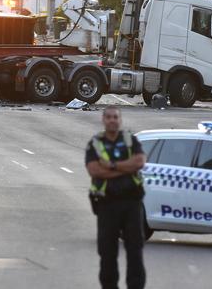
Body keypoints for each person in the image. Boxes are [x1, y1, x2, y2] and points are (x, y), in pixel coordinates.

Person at [85, 106, 147, 289]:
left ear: (120, 120)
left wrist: (111, 166)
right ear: (103, 120)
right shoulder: (95, 143)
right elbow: (94, 170)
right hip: (107, 204)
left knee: (135, 251)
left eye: (116, 117)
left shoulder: (130, 140)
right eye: (109, 117)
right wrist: (124, 169)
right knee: (107, 253)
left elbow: (139, 162)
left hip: (132, 203)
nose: (112, 120)